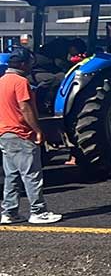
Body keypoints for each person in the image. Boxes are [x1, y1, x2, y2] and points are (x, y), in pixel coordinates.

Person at [0, 47, 60, 224]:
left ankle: (9, 212)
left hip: (5, 133)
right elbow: (25, 108)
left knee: (12, 175)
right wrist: (38, 130)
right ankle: (38, 211)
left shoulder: (2, 81)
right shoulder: (21, 82)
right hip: (21, 133)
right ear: (24, 64)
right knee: (31, 174)